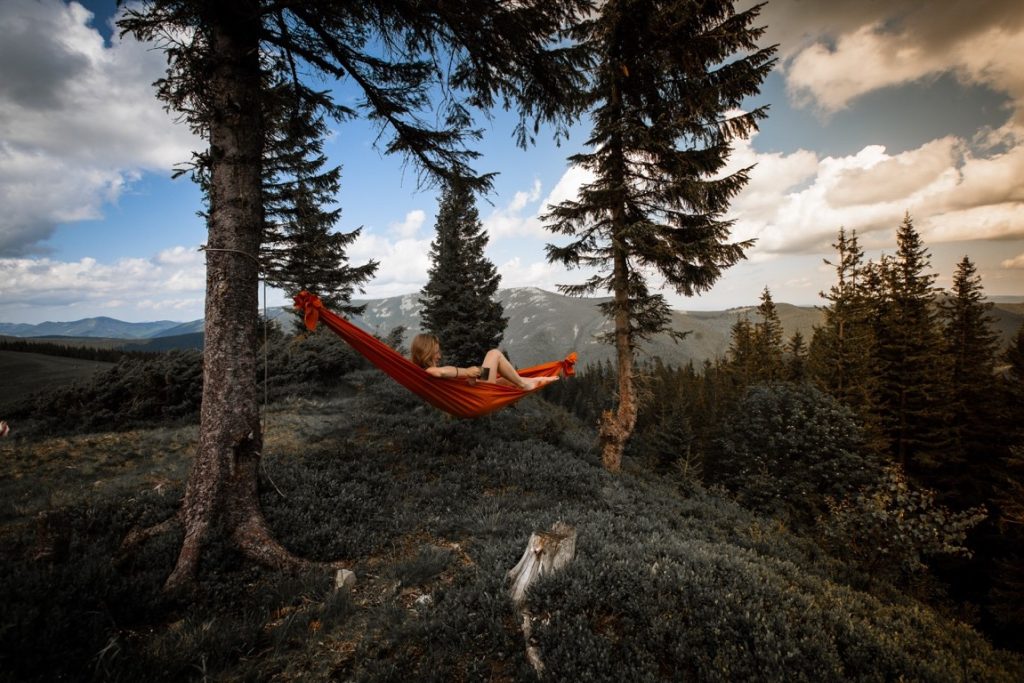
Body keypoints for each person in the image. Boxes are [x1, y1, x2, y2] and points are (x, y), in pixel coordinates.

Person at [409, 334, 558, 391]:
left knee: (504, 381)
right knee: (494, 354)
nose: (439, 356)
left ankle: (539, 379)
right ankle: (525, 384)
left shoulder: (425, 373)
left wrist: (470, 378)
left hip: (476, 388)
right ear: (427, 352)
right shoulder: (429, 372)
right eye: (436, 352)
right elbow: (440, 371)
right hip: (480, 395)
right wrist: (466, 371)